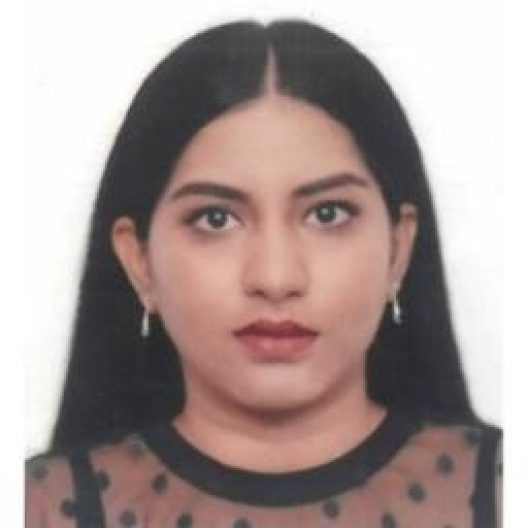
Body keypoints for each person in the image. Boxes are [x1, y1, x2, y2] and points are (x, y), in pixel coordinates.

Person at [25, 19, 501, 528]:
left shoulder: (497, 489)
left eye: (327, 214)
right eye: (216, 219)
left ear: (398, 250)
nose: (275, 278)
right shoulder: (41, 507)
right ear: (138, 260)